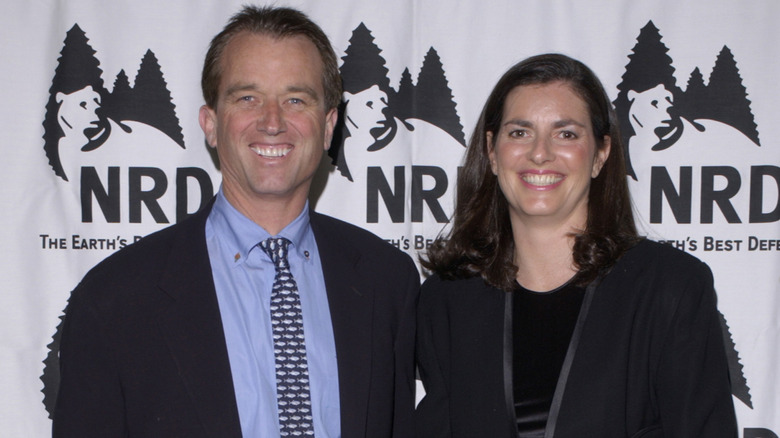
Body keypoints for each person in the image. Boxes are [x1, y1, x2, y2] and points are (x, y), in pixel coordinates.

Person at [53, 6, 419, 437]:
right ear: (210, 124)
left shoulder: (386, 281)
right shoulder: (115, 298)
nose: (272, 121)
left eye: (295, 99)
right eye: (247, 98)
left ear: (328, 127)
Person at [414, 54, 737, 437]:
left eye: (566, 133)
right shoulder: (447, 301)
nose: (540, 152)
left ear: (601, 154)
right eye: (520, 132)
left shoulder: (670, 287)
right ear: (491, 151)